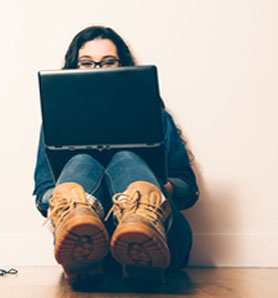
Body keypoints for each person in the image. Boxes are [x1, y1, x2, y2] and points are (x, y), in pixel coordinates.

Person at [33, 26, 199, 289]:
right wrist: (63, 198)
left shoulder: (154, 115)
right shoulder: (57, 122)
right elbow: (43, 195)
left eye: (108, 62)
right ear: (74, 68)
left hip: (164, 245)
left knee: (125, 158)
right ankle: (79, 219)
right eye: (87, 63)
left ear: (123, 65)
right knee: (81, 163)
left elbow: (188, 189)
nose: (98, 69)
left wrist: (157, 189)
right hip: (85, 252)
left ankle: (141, 222)